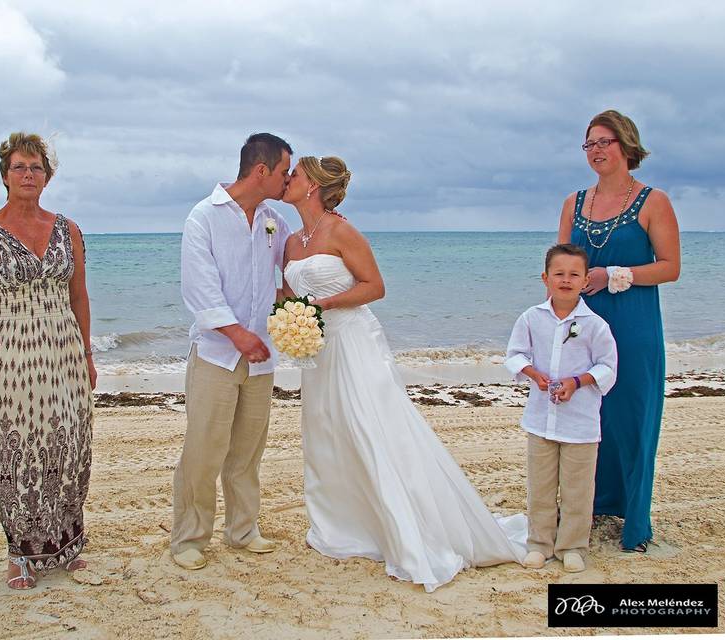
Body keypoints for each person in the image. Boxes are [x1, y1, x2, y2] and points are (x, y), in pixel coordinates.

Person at [281, 155, 526, 591]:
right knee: (326, 432)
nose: (287, 180)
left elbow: (374, 286)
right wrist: (287, 318)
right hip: (317, 350)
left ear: (313, 186)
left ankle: (407, 529)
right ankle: (343, 526)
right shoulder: (292, 240)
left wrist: (321, 306)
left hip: (353, 342)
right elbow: (288, 290)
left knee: (370, 428)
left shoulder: (342, 230)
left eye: (294, 175)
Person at [0, 133, 96, 589]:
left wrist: (88, 354)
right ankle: (21, 553)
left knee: (68, 444)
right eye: (19, 167)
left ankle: (68, 542)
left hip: (63, 350)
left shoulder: (68, 229)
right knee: (16, 450)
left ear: (48, 176)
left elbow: (79, 296)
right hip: (9, 353)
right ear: (4, 176)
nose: (28, 175)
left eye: (35, 167)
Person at [557, 110, 680, 552]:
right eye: (589, 144)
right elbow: (562, 264)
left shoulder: (654, 201)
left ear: (627, 145)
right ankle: (583, 508)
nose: (596, 151)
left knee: (630, 418)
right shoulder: (574, 202)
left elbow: (670, 268)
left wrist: (613, 274)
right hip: (582, 325)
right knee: (585, 417)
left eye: (604, 142)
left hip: (633, 325)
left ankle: (634, 518)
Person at [171, 133, 293, 570]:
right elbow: (199, 287)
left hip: (262, 356)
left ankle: (243, 529)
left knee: (247, 450)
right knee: (204, 449)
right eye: (284, 172)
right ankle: (189, 538)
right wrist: (237, 334)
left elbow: (291, 269)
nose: (288, 180)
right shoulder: (203, 217)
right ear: (261, 171)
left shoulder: (273, 219)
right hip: (217, 355)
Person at [505, 244, 618, 572]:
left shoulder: (595, 324)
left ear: (585, 281)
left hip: (580, 424)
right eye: (559, 274)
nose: (565, 280)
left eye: (574, 275)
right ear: (546, 278)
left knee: (577, 490)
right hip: (541, 420)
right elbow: (514, 354)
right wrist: (531, 373)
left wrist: (577, 381)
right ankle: (539, 543)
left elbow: (608, 366)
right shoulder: (531, 318)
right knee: (539, 487)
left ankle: (573, 546)